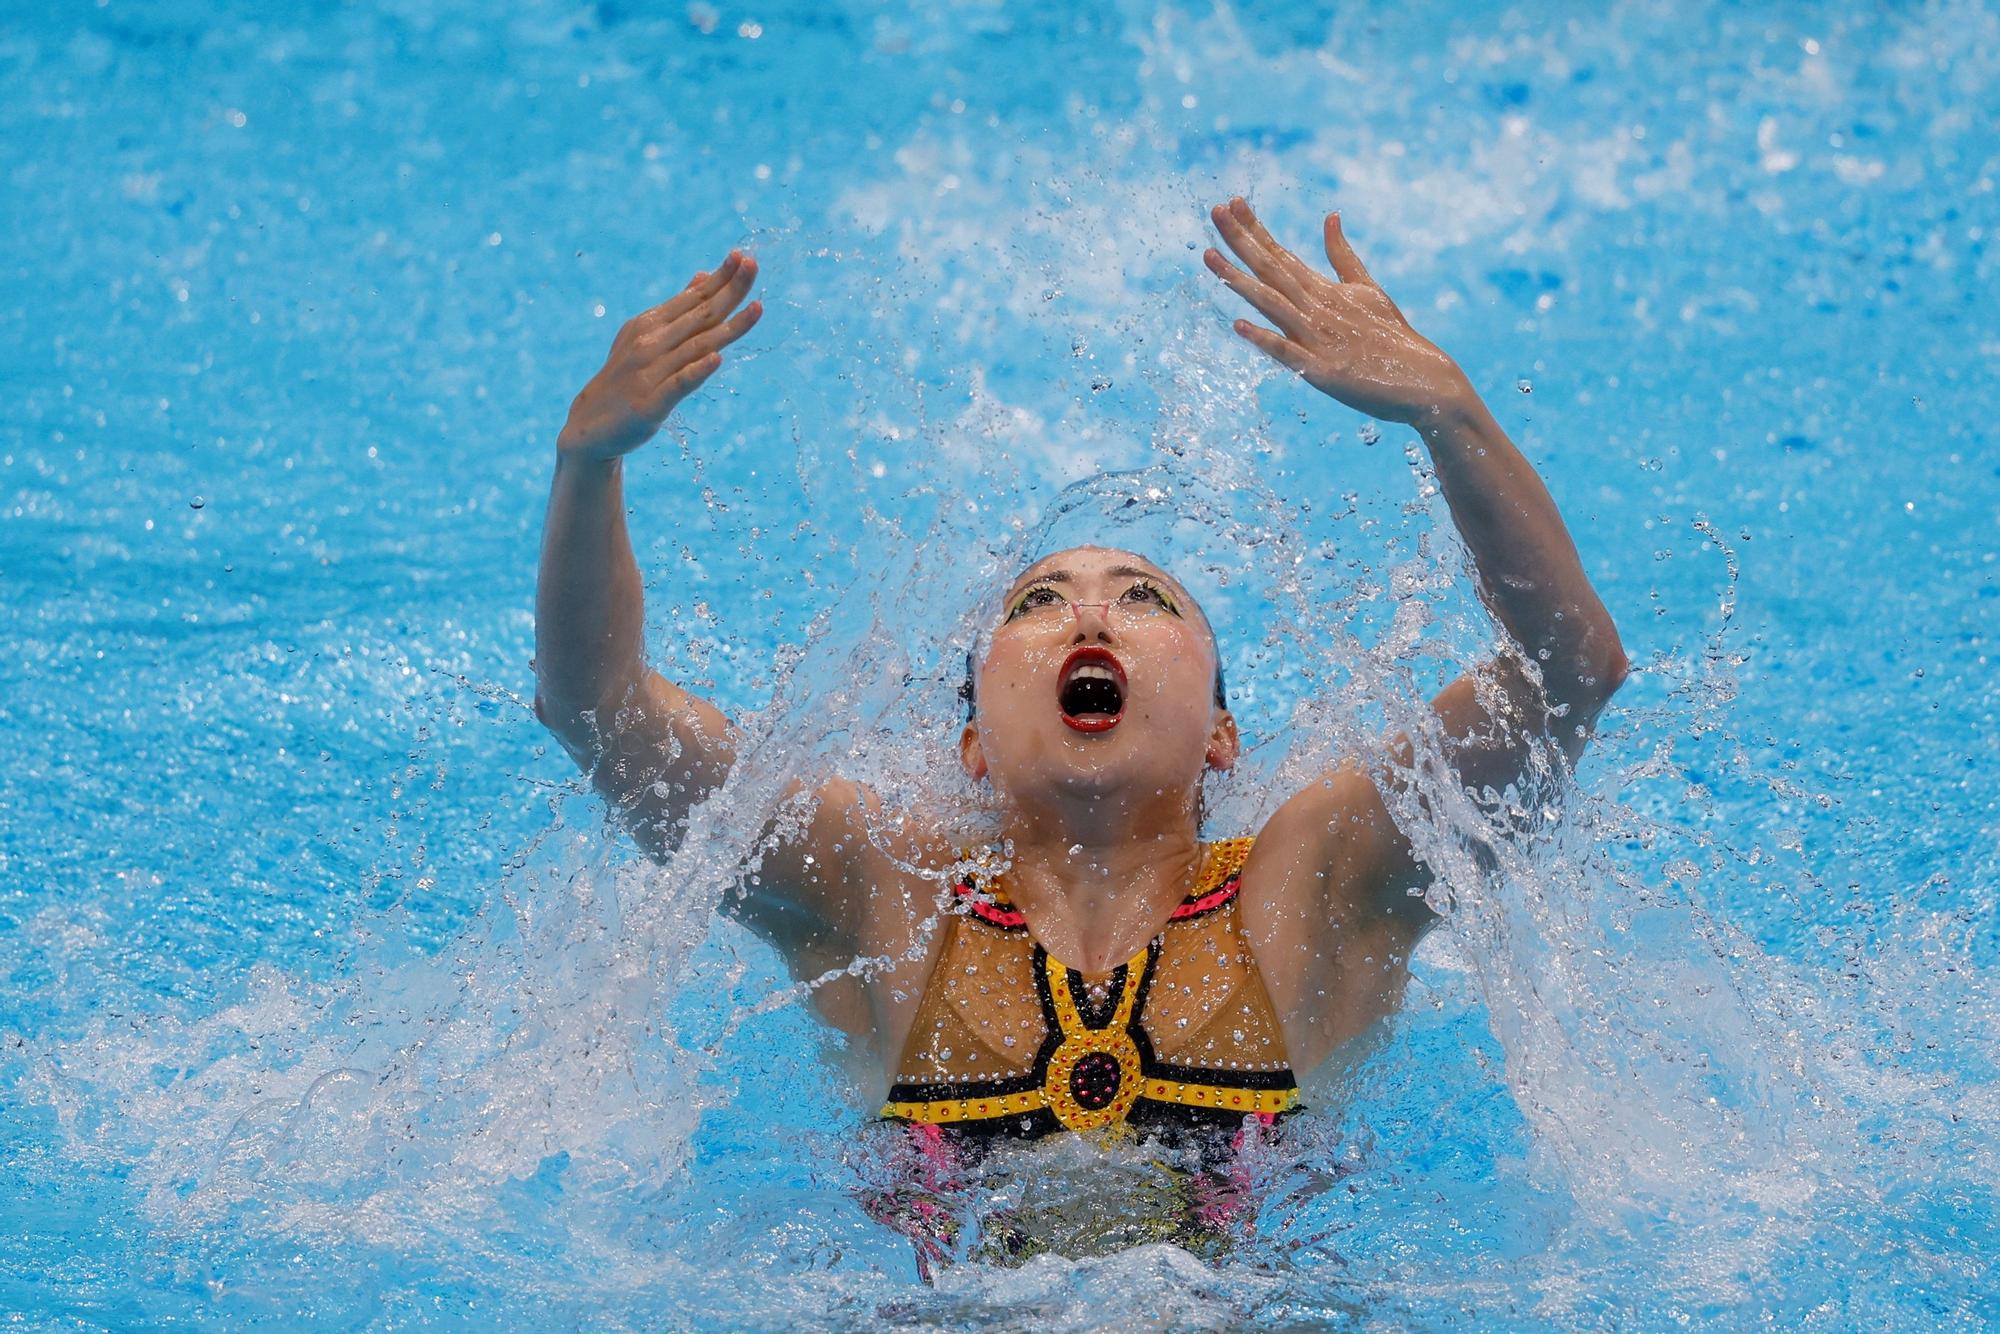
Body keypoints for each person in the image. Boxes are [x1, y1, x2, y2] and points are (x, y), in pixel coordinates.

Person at [534, 197, 1627, 1265]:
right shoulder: (882, 887)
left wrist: (1452, 416)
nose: (1091, 611)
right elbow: (599, 713)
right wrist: (588, 466)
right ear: (972, 744)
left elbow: (1568, 671)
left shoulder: (1315, 879)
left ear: (1221, 736)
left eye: (1146, 598)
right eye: (1035, 601)